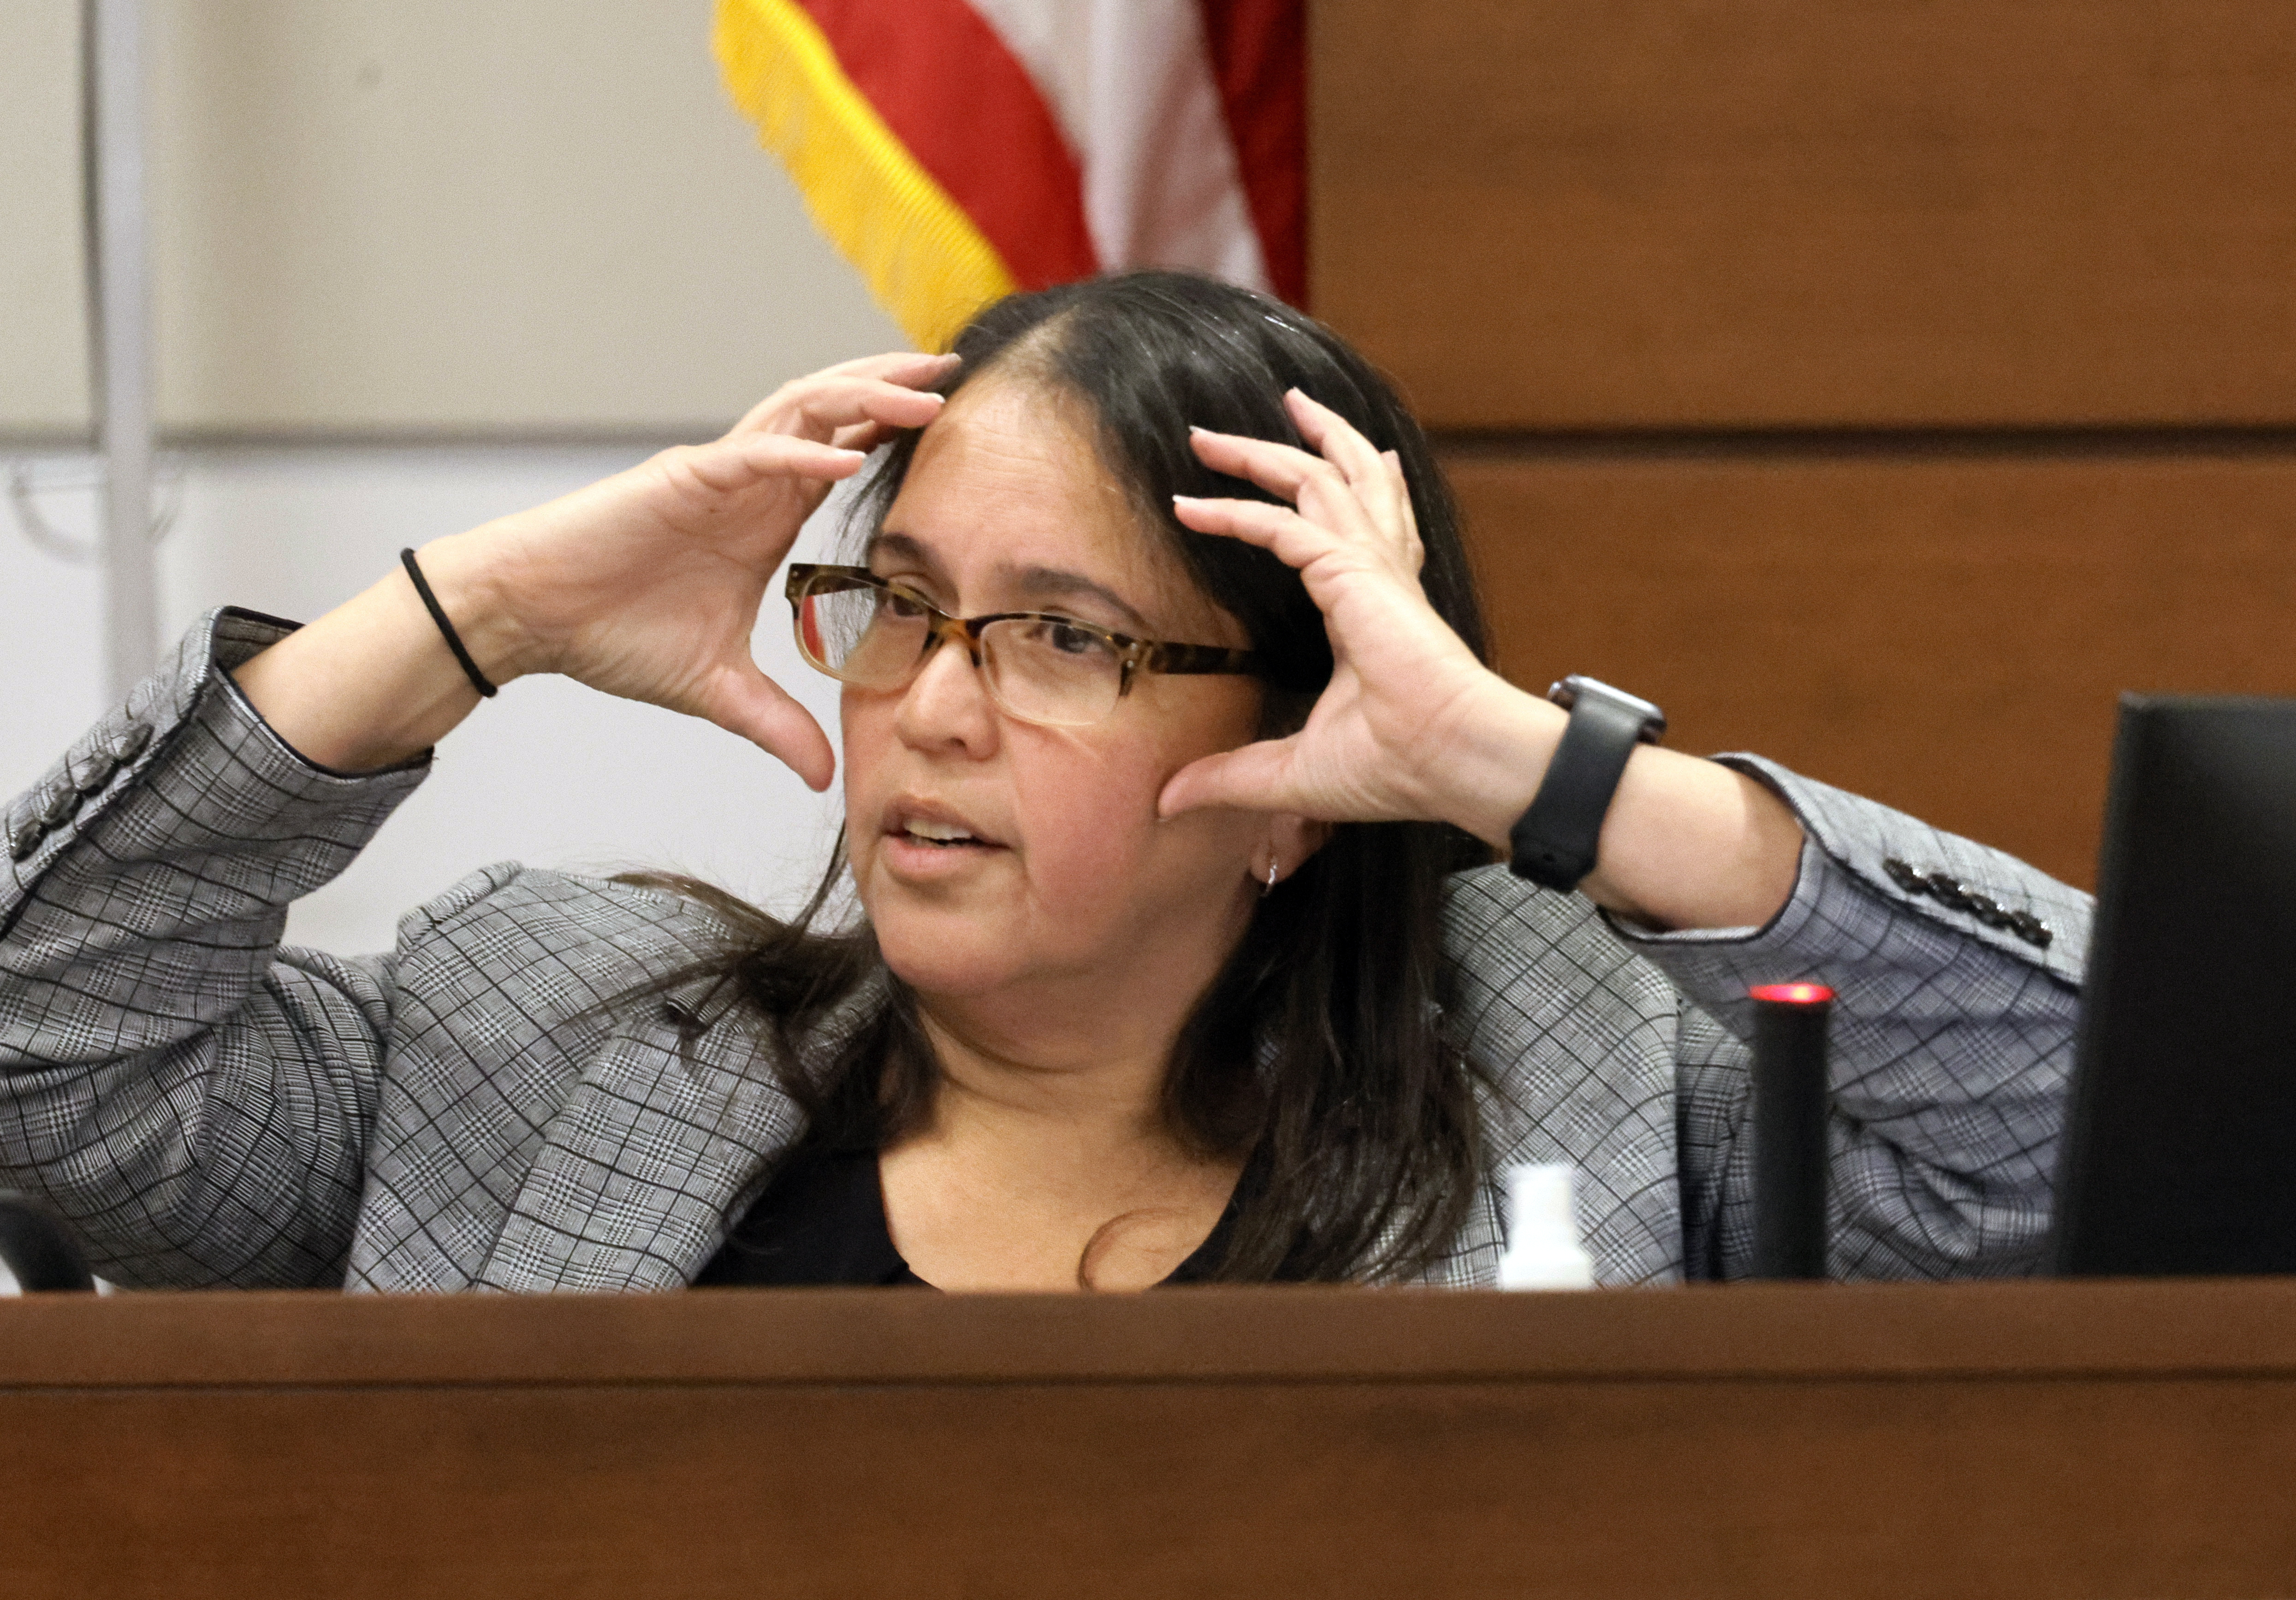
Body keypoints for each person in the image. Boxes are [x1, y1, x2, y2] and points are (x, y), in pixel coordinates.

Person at [0, 273, 2087, 1293]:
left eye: (1066, 638)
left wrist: (1525, 767)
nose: (933, 705)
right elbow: (43, 1055)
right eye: (903, 603)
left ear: (1297, 771)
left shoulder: (1618, 1103)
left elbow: (2102, 1135)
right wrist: (481, 611)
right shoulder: (529, 1039)